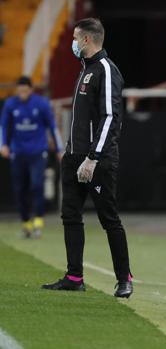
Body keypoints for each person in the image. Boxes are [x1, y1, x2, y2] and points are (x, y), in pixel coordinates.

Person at [41, 18, 133, 298]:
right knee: (70, 215)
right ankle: (74, 276)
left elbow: (110, 118)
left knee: (109, 218)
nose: (73, 43)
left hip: (98, 160)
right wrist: (72, 154)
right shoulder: (86, 70)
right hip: (74, 157)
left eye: (75, 38)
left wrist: (93, 158)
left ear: (86, 40)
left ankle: (124, 278)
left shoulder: (106, 69)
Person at [0, 76, 63, 238]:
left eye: (25, 91)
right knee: (21, 189)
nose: (22, 94)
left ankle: (38, 221)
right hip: (18, 153)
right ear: (16, 90)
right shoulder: (10, 104)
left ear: (31, 89)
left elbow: (52, 127)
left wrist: (59, 149)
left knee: (37, 185)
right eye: (20, 91)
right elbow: (4, 126)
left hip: (37, 152)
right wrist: (3, 145)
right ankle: (26, 222)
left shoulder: (41, 104)